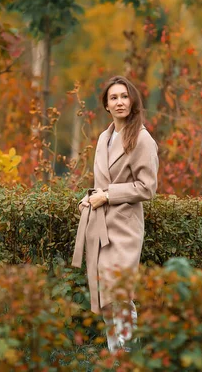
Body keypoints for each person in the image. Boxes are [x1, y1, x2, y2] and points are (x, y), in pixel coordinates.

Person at [71, 75, 159, 353]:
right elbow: (101, 183)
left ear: (132, 102)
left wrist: (107, 195)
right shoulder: (104, 138)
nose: (119, 102)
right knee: (107, 297)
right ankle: (116, 357)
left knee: (121, 294)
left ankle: (128, 357)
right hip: (100, 227)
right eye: (113, 98)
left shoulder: (143, 139)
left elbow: (148, 188)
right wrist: (90, 198)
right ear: (106, 105)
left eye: (124, 96)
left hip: (125, 228)